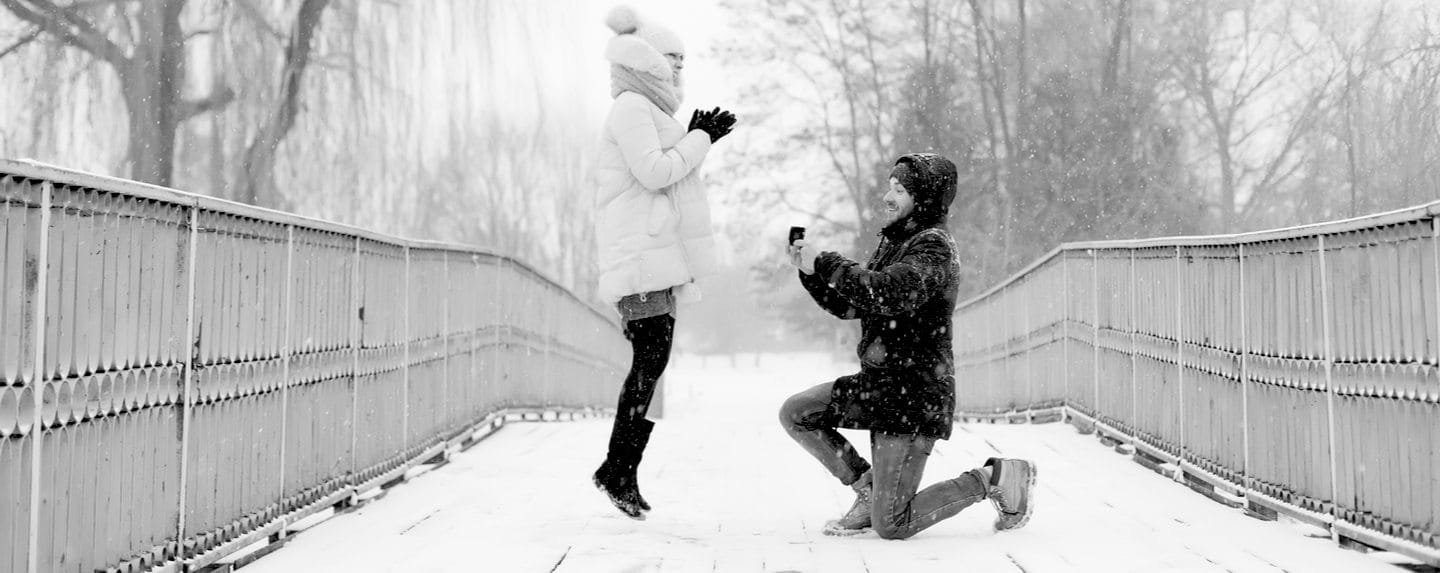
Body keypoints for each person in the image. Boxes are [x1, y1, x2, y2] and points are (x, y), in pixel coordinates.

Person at [780, 153, 1036, 539]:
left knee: (892, 524)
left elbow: (887, 293)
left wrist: (827, 262)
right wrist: (812, 273)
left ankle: (994, 477)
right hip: (879, 388)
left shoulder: (934, 248)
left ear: (924, 199)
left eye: (899, 190)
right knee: (797, 413)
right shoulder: (898, 242)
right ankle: (868, 489)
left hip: (913, 399)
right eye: (890, 187)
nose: (888, 196)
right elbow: (854, 305)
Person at [592, 5, 737, 520]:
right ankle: (617, 469)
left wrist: (694, 134)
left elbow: (664, 171)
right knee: (649, 362)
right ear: (646, 58)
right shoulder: (631, 106)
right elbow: (655, 173)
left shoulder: (648, 109)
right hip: (638, 258)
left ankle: (620, 470)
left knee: (652, 362)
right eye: (670, 57)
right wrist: (700, 138)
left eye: (682, 59)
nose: (678, 66)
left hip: (653, 259)